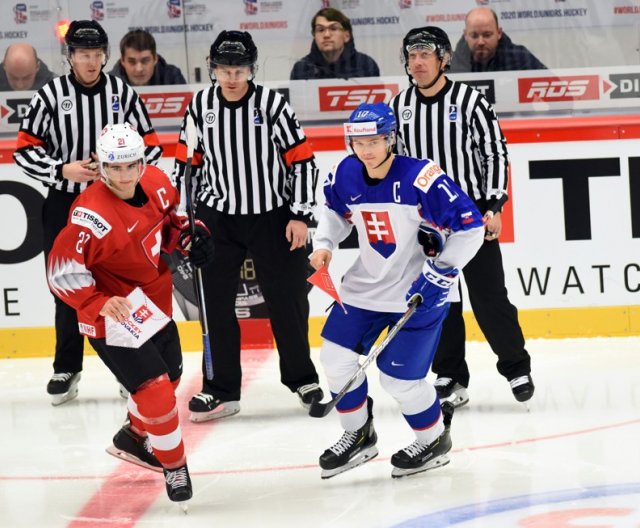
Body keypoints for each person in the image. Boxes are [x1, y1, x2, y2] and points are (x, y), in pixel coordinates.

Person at [309, 102, 484, 479]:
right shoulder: (345, 172)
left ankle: (434, 438)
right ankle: (358, 434)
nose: (366, 149)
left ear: (390, 139)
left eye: (374, 141)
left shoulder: (422, 177)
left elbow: (471, 227)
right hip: (364, 288)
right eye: (359, 142)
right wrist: (324, 244)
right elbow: (336, 213)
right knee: (335, 360)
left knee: (398, 379)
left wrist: (442, 273)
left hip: (418, 293)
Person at [46, 123, 213, 503]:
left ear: (141, 163)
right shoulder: (90, 214)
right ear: (102, 168)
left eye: (130, 165)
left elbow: (169, 226)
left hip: (152, 302)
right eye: (114, 167)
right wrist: (96, 302)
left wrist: (190, 238)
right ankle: (175, 467)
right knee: (155, 391)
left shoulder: (155, 182)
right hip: (115, 315)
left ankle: (134, 437)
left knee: (170, 377)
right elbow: (60, 269)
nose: (123, 175)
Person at [172, 30, 323, 423]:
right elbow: (187, 165)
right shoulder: (200, 105)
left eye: (239, 68)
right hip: (217, 219)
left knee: (288, 302)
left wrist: (301, 215)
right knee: (215, 305)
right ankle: (221, 388)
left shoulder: (272, 105)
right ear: (213, 69)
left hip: (272, 216)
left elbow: (302, 161)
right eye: (224, 68)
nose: (232, 76)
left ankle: (302, 379)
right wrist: (189, 220)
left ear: (251, 69)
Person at [13, 20, 163, 406]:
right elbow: (25, 149)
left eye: (97, 54)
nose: (91, 61)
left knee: (124, 284)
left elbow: (152, 146)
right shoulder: (50, 94)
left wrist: (127, 173)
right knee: (67, 283)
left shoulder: (121, 92)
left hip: (116, 204)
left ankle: (133, 367)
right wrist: (62, 169)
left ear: (105, 56)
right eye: (83, 54)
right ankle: (67, 366)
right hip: (66, 205)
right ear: (70, 56)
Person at [390, 26, 535, 409]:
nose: (417, 62)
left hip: (471, 220)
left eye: (425, 55)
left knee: (489, 298)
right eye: (412, 55)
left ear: (443, 59)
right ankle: (451, 375)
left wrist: (494, 206)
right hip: (428, 226)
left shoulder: (470, 101)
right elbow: (396, 165)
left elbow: (494, 154)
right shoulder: (399, 106)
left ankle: (516, 365)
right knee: (440, 301)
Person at [290, 7, 380, 80]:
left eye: (333, 28)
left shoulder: (366, 65)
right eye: (320, 30)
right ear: (314, 36)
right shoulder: (302, 68)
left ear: (346, 36)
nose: (326, 35)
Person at [449, 7, 546, 73]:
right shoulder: (450, 64)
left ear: (499, 33)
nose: (481, 42)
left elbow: (555, 90)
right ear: (466, 35)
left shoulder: (521, 58)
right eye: (474, 36)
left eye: (487, 35)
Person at [109, 29, 187, 86]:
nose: (139, 69)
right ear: (122, 61)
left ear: (155, 59)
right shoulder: (107, 83)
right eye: (132, 62)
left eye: (145, 61)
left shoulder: (172, 77)